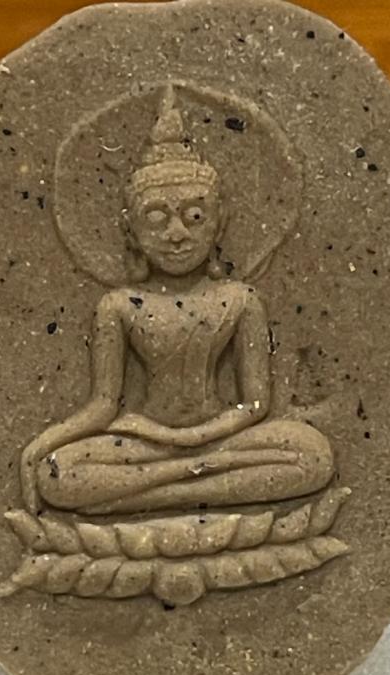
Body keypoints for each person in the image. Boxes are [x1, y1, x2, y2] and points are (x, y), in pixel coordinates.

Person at [20, 86, 334, 516]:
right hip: (142, 440)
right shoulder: (119, 305)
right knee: (61, 471)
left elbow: (255, 406)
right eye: (156, 219)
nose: (176, 235)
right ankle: (196, 492)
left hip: (221, 440)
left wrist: (190, 440)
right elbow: (103, 406)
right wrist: (43, 444)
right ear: (132, 231)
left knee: (311, 454)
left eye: (195, 217)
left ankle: (153, 498)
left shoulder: (239, 300)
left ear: (219, 224)